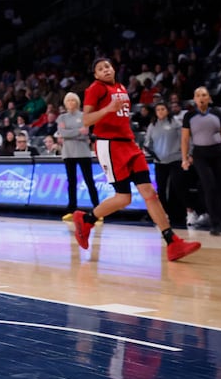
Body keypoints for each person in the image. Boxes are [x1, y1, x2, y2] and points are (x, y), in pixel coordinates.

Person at [72, 58, 200, 261]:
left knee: (150, 193)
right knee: (124, 198)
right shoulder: (95, 88)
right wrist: (107, 109)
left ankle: (172, 242)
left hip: (129, 144)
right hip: (110, 145)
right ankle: (86, 219)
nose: (106, 70)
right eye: (100, 68)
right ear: (95, 75)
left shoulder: (121, 87)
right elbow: (86, 120)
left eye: (108, 66)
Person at [181, 86, 221, 236]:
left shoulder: (217, 113)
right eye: (198, 95)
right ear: (194, 98)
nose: (201, 98)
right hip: (200, 154)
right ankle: (215, 223)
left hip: (219, 153)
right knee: (209, 187)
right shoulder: (189, 116)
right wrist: (184, 158)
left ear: (209, 97)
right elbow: (185, 139)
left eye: (204, 95)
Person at [56, 91, 100, 220]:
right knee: (71, 182)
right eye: (68, 100)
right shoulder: (62, 118)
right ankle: (71, 209)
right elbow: (62, 133)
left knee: (89, 180)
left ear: (77, 102)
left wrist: (70, 133)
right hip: (68, 153)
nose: (71, 103)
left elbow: (85, 132)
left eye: (73, 100)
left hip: (83, 152)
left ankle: (97, 208)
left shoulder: (84, 116)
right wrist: (76, 132)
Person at [143, 101, 186, 229]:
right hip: (159, 161)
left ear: (167, 110)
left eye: (163, 109)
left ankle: (178, 215)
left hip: (175, 159)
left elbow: (184, 139)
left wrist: (186, 154)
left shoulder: (176, 123)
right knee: (161, 189)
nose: (160, 111)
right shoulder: (152, 125)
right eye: (158, 110)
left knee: (175, 187)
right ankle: (163, 215)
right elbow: (147, 142)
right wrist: (148, 150)